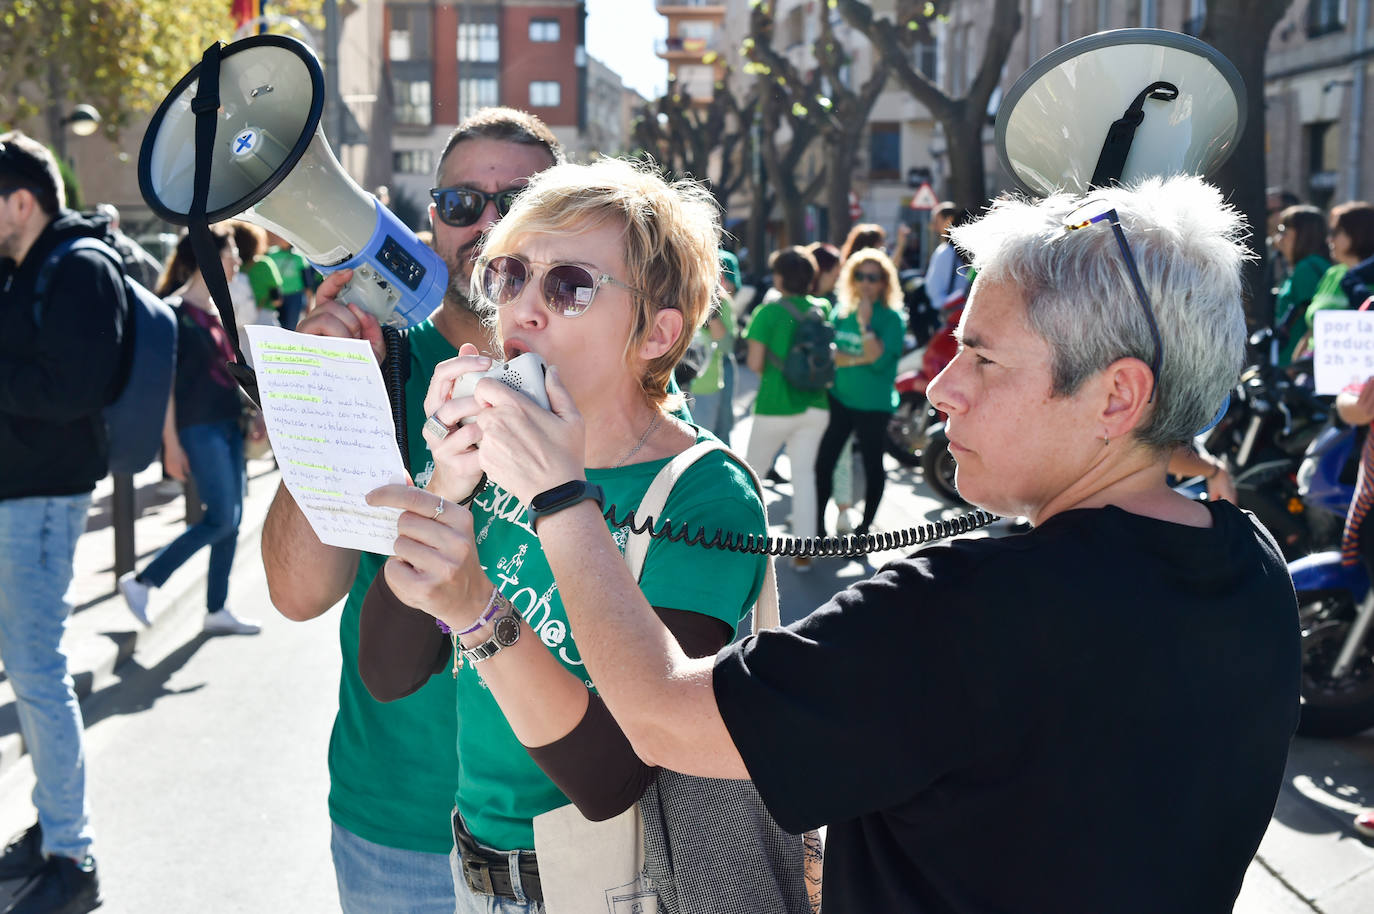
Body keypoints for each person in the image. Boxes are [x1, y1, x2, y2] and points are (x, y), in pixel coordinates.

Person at [462, 175, 1302, 911]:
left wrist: (560, 496)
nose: (942, 387)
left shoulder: (965, 608)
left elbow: (658, 720)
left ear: (1118, 397)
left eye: (981, 357)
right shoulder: (1256, 562)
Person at [359, 156, 783, 914]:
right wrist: (442, 492)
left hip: (609, 890)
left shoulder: (706, 495)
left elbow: (611, 777)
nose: (523, 309)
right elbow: (388, 673)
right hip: (473, 873)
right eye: (512, 274)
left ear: (656, 333)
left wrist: (476, 608)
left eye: (570, 287)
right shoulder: (491, 448)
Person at [260, 107, 563, 914]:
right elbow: (297, 593)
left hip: (564, 829)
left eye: (523, 198)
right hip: (399, 824)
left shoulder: (603, 368)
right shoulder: (380, 358)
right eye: (462, 204)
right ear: (430, 221)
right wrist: (332, 389)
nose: (489, 224)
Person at [0, 130, 108, 914]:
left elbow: (70, 389)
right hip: (22, 492)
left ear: (21, 203)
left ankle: (73, 855)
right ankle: (51, 829)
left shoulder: (78, 269)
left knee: (38, 672)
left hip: (42, 498)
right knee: (29, 669)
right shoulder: (28, 269)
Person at [116, 226, 261, 637]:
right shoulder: (174, 313)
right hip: (197, 429)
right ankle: (143, 581)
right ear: (208, 260)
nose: (236, 261)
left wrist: (253, 415)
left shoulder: (217, 313)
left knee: (231, 520)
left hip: (228, 426)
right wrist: (170, 445)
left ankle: (216, 609)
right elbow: (163, 387)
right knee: (219, 519)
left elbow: (228, 378)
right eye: (230, 254)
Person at [743, 246, 832, 571]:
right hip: (816, 406)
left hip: (775, 405)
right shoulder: (821, 308)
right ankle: (804, 552)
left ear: (779, 277)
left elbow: (754, 362)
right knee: (804, 477)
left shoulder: (767, 313)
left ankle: (746, 546)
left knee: (750, 477)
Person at [814, 248, 907, 537]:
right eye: (860, 275)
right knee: (823, 464)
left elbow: (878, 359)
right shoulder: (842, 312)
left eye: (873, 277)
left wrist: (866, 325)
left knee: (871, 465)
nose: (866, 282)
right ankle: (817, 529)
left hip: (874, 405)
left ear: (884, 282)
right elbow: (834, 356)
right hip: (840, 399)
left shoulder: (892, 319)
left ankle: (864, 531)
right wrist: (858, 357)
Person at [1295, 201, 1374, 360]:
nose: (1328, 240)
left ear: (1358, 233)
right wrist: (1293, 367)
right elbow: (1312, 328)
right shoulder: (1332, 274)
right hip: (1313, 371)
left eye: (1335, 232)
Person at [686, 250, 740, 443]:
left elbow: (726, 347)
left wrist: (710, 311)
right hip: (672, 387)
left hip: (705, 388)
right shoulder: (673, 296)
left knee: (701, 447)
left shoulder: (722, 302)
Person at [1270, 205, 1332, 367]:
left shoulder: (1306, 267)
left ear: (1303, 234)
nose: (1278, 238)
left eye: (1284, 230)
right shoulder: (1314, 264)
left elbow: (1314, 322)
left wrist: (1296, 364)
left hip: (1296, 363)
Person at [93, 202, 162, 290]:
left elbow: (155, 270)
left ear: (114, 223)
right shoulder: (129, 243)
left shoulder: (122, 244)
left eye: (103, 219)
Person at [925, 201, 972, 309]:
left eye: (936, 221)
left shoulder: (945, 252)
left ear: (949, 220)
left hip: (949, 312)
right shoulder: (965, 250)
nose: (933, 227)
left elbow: (932, 289)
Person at [265, 232, 312, 331]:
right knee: (275, 326)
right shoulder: (270, 254)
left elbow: (307, 283)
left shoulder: (299, 257)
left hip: (294, 297)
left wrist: (309, 304)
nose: (281, 239)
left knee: (290, 327)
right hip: (276, 296)